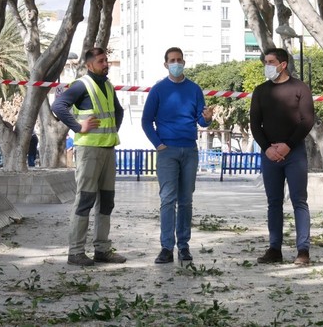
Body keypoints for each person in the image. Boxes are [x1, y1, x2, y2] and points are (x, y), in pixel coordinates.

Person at [52, 47, 127, 267]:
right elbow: (58, 105)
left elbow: (118, 112)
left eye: (107, 61)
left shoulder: (108, 86)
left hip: (108, 149)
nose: (106, 64)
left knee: (107, 201)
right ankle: (75, 252)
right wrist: (78, 126)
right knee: (85, 199)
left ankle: (102, 250)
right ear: (90, 64)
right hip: (89, 152)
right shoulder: (81, 85)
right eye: (102, 61)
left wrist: (112, 130)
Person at [141, 47, 213, 265]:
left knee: (186, 200)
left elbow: (201, 121)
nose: (176, 63)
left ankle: (184, 246)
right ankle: (166, 247)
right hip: (167, 152)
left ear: (184, 62)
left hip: (189, 150)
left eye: (179, 60)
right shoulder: (158, 90)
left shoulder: (194, 89)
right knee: (167, 199)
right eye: (172, 60)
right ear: (165, 64)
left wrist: (208, 119)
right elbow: (146, 121)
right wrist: (159, 145)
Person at [250, 47, 315, 266]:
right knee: (274, 202)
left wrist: (288, 145)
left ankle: (303, 250)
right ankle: (274, 249)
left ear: (283, 64)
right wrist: (267, 148)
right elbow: (255, 124)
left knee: (299, 201)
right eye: (265, 62)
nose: (266, 66)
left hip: (294, 153)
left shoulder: (300, 88)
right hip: (269, 155)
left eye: (270, 62)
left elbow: (307, 121)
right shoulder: (260, 91)